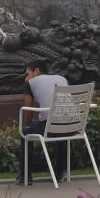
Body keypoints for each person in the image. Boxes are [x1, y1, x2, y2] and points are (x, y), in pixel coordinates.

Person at [20, 55, 70, 184]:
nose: (26, 78)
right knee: (60, 125)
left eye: (27, 74)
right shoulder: (62, 78)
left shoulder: (30, 83)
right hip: (72, 125)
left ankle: (25, 176)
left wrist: (26, 127)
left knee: (25, 133)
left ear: (36, 71)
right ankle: (59, 173)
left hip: (50, 125)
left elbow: (28, 110)